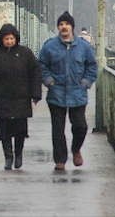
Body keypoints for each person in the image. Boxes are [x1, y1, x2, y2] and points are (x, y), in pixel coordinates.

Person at [39, 11, 98, 171]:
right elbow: (42, 65)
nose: (64, 27)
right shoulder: (50, 46)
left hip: (78, 93)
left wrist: (86, 82)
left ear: (72, 27)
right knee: (58, 129)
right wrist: (48, 80)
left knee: (80, 126)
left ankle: (76, 149)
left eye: (67, 24)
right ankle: (60, 160)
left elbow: (92, 66)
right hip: (56, 93)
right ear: (58, 27)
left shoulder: (83, 47)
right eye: (61, 24)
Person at [0, 24, 42, 170]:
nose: (9, 41)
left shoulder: (25, 54)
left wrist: (36, 94)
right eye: (6, 39)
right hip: (2, 98)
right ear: (1, 40)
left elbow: (35, 73)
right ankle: (8, 157)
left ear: (16, 38)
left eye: (11, 38)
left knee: (20, 129)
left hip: (21, 98)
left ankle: (18, 154)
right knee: (4, 130)